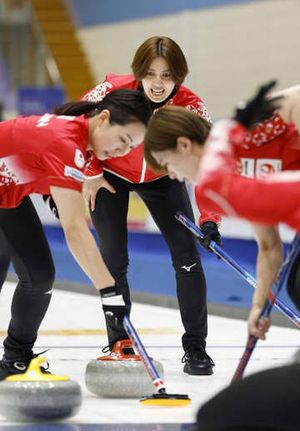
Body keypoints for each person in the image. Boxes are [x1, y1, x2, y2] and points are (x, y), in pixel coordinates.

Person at [81, 36, 220, 375]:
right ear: (139, 72)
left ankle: (196, 347)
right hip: (110, 175)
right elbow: (72, 123)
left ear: (179, 77)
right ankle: (120, 341)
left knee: (187, 258)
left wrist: (210, 219)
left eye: (168, 75)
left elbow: (210, 165)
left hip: (163, 178)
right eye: (151, 74)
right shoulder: (112, 90)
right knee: (114, 259)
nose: (158, 84)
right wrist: (88, 172)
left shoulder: (192, 108)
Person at [0, 89, 151, 380]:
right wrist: (110, 292)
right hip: (6, 195)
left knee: (39, 275)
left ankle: (16, 357)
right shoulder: (66, 142)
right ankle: (16, 355)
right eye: (122, 140)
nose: (121, 151)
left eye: (129, 147)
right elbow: (75, 230)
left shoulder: (78, 138)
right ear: (104, 119)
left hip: (8, 195)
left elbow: (42, 172)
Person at [143, 80, 300, 340]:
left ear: (184, 145)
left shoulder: (248, 130)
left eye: (167, 164)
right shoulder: (229, 173)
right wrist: (259, 306)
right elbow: (270, 247)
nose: (174, 176)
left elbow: (295, 99)